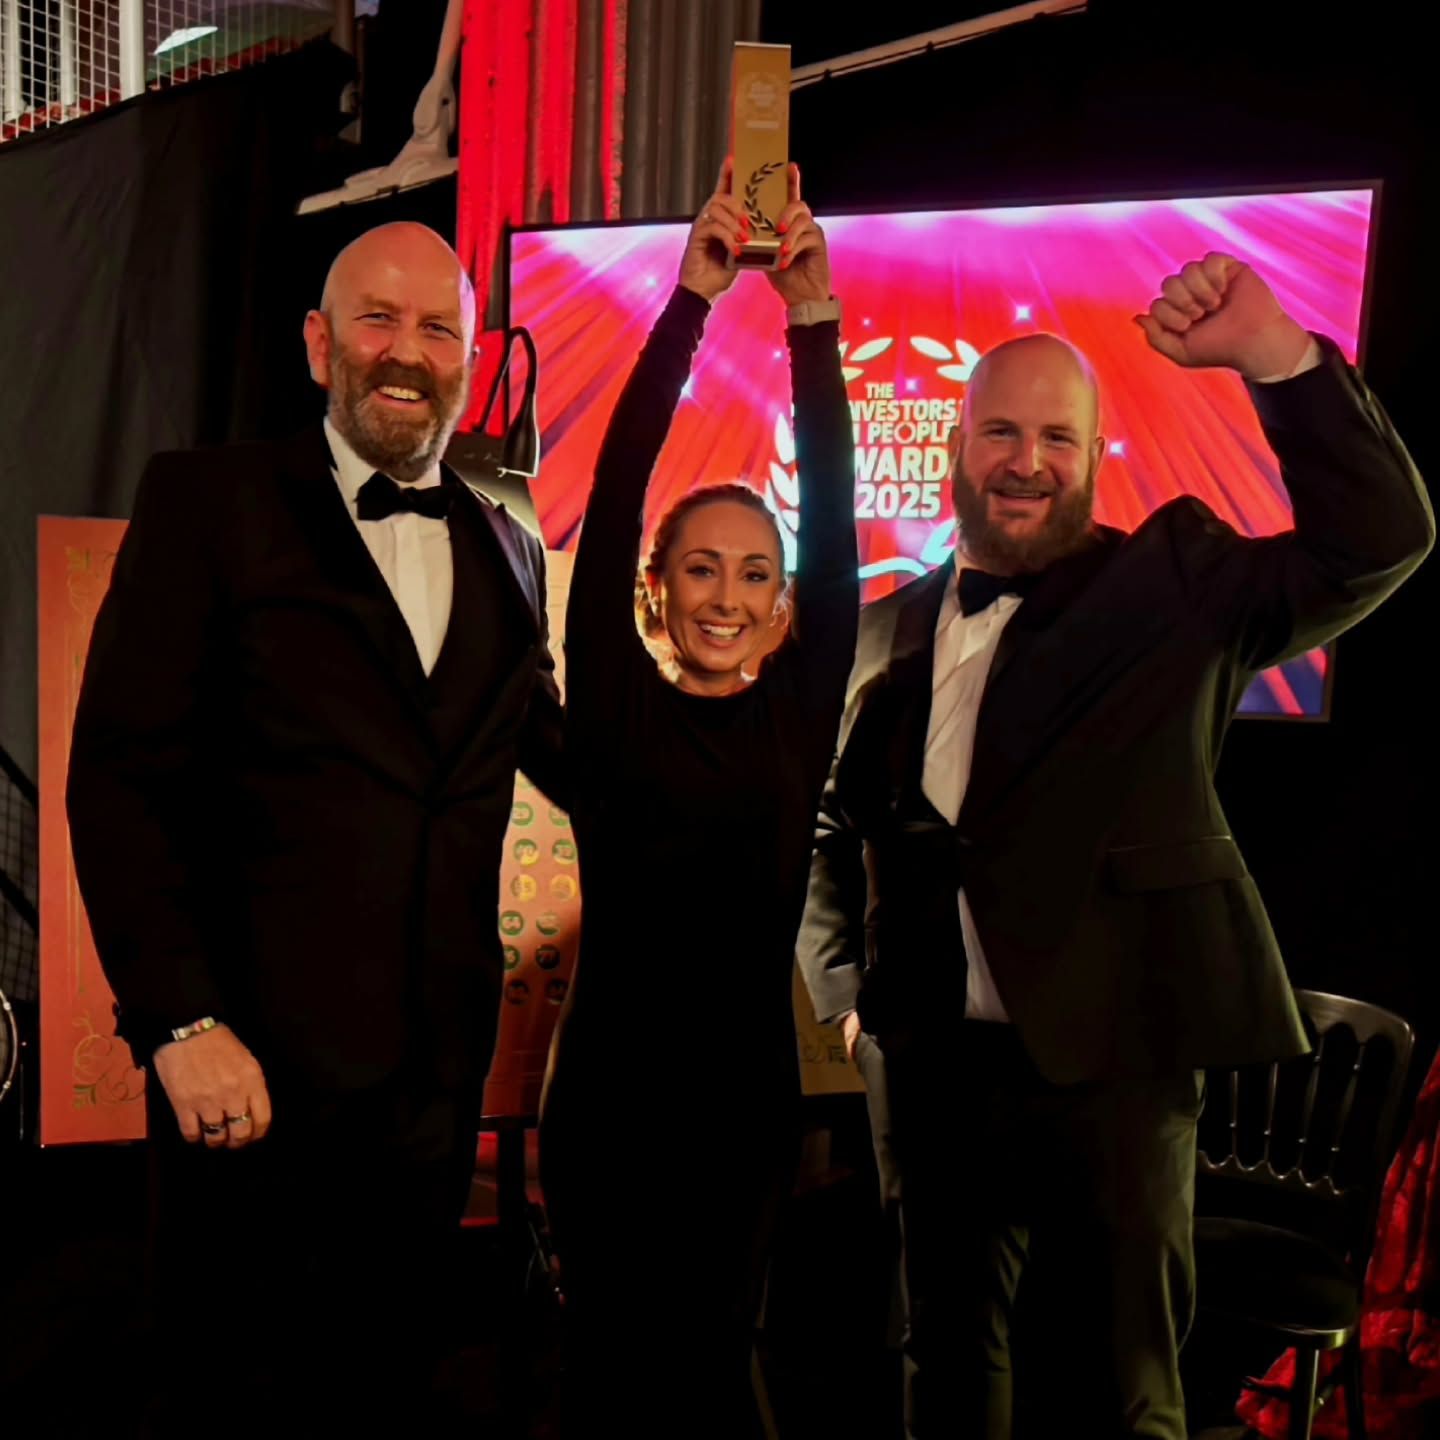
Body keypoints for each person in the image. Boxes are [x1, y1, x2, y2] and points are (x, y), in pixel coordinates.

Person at [797, 251, 1433, 1438]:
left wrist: (1276, 358)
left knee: (1122, 1387)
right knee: (941, 1365)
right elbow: (835, 823)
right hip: (931, 1068)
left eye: (1056, 439)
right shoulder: (889, 625)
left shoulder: (1172, 585)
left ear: (1095, 460)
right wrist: (846, 990)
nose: (1026, 462)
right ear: (956, 446)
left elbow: (1380, 538)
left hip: (1114, 1071)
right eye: (1000, 433)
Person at [65, 221, 565, 1434]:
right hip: (247, 1082)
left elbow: (568, 756)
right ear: (317, 342)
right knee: (235, 1399)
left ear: (469, 353)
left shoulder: (507, 537)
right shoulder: (208, 500)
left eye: (437, 327)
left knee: (387, 1396)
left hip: (431, 1093)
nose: (407, 353)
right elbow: (119, 777)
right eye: (377, 320)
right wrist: (177, 1019)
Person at [538, 160, 859, 1437]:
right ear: (657, 589)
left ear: (783, 607)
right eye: (700, 571)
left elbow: (833, 525)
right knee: (611, 1383)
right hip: (609, 1114)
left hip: (743, 1119)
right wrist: (686, 303)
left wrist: (814, 321)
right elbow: (613, 499)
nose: (727, 597)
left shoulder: (796, 708)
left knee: (717, 1376)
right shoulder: (615, 708)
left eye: (752, 577)